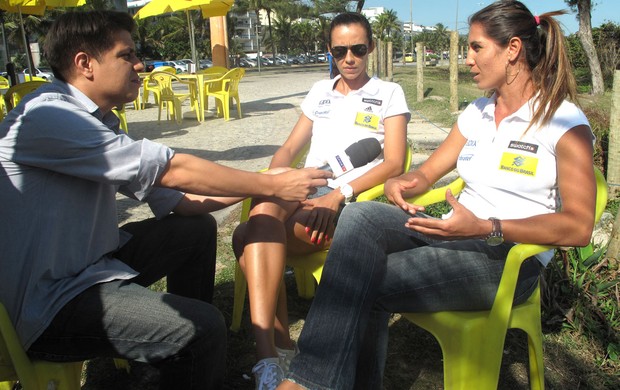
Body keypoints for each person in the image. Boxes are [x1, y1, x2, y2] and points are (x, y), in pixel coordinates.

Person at [0, 10, 331, 390]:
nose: (140, 64)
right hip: (49, 303)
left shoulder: (94, 121)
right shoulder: (48, 116)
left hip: (91, 267)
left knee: (194, 230)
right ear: (84, 63)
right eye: (127, 55)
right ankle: (188, 344)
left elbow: (177, 198)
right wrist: (269, 185)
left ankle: (173, 357)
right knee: (203, 328)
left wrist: (263, 183)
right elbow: (172, 170)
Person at [278, 1, 597, 389]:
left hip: (508, 256)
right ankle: (315, 381)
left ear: (512, 49)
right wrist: (402, 181)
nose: (467, 59)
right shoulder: (478, 111)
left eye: (476, 47)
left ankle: (306, 382)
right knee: (360, 217)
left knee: (364, 280)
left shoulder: (562, 122)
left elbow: (578, 227)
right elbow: (427, 172)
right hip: (453, 229)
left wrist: (485, 227)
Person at [232, 12, 410, 390]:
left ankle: (275, 352)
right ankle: (270, 356)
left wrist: (337, 195)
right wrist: (274, 181)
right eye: (341, 50)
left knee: (247, 234)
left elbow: (394, 161)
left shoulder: (389, 93)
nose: (349, 58)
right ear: (329, 50)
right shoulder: (319, 92)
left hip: (346, 200)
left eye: (358, 49)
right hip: (303, 187)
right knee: (264, 210)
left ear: (371, 49)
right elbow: (290, 148)